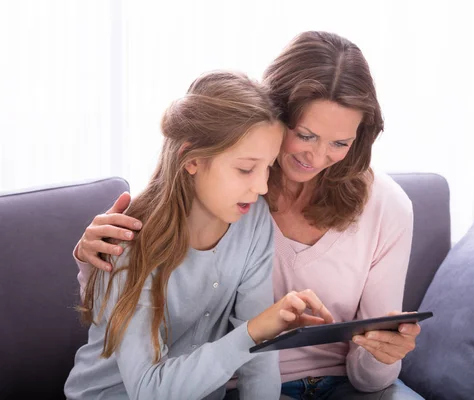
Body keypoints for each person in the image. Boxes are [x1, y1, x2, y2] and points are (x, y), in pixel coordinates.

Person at [73, 32, 423, 399]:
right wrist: (90, 261)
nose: (317, 159)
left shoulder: (259, 213)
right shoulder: (227, 193)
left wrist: (384, 354)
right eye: (305, 135)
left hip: (336, 383)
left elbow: (364, 375)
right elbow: (129, 316)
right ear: (276, 115)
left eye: (340, 143)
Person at [64, 71, 333, 400]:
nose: (261, 186)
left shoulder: (254, 219)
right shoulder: (130, 237)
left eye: (268, 167)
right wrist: (253, 331)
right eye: (246, 169)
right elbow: (149, 390)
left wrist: (258, 334)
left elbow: (259, 361)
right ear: (192, 160)